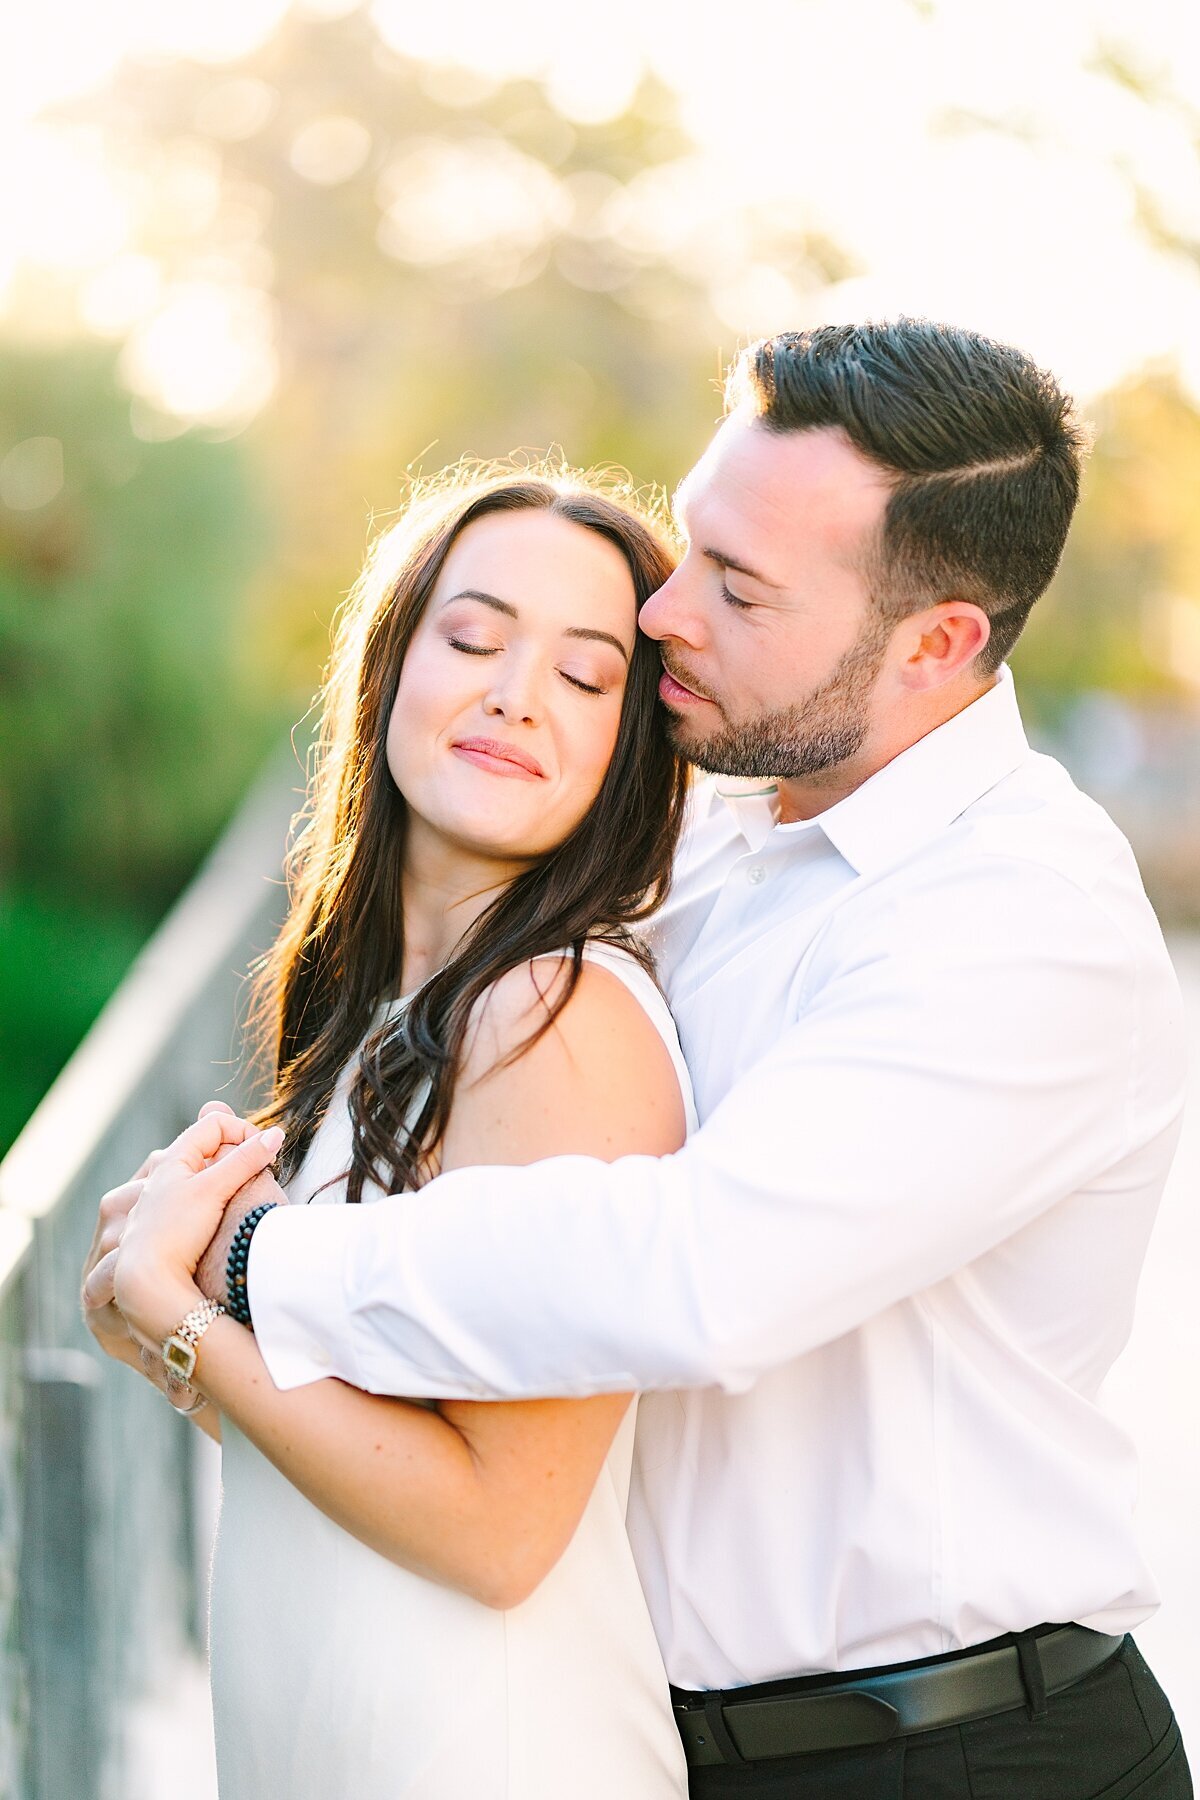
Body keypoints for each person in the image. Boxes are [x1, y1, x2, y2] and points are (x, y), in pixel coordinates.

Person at [95, 319, 1190, 1800]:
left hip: (950, 1753)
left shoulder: (1014, 921)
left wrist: (245, 1277)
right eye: (692, 547)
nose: (666, 611)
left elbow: (696, 1278)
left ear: (936, 644)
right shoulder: (717, 835)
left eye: (736, 588)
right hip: (672, 1736)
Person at [83, 464, 697, 1799]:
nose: (514, 694)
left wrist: (188, 1316)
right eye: (473, 638)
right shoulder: (396, 1014)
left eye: (585, 679)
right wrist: (169, 1339)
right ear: (390, 664)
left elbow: (499, 1529)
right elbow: (380, 1441)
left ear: (626, 752)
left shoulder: (560, 1010)